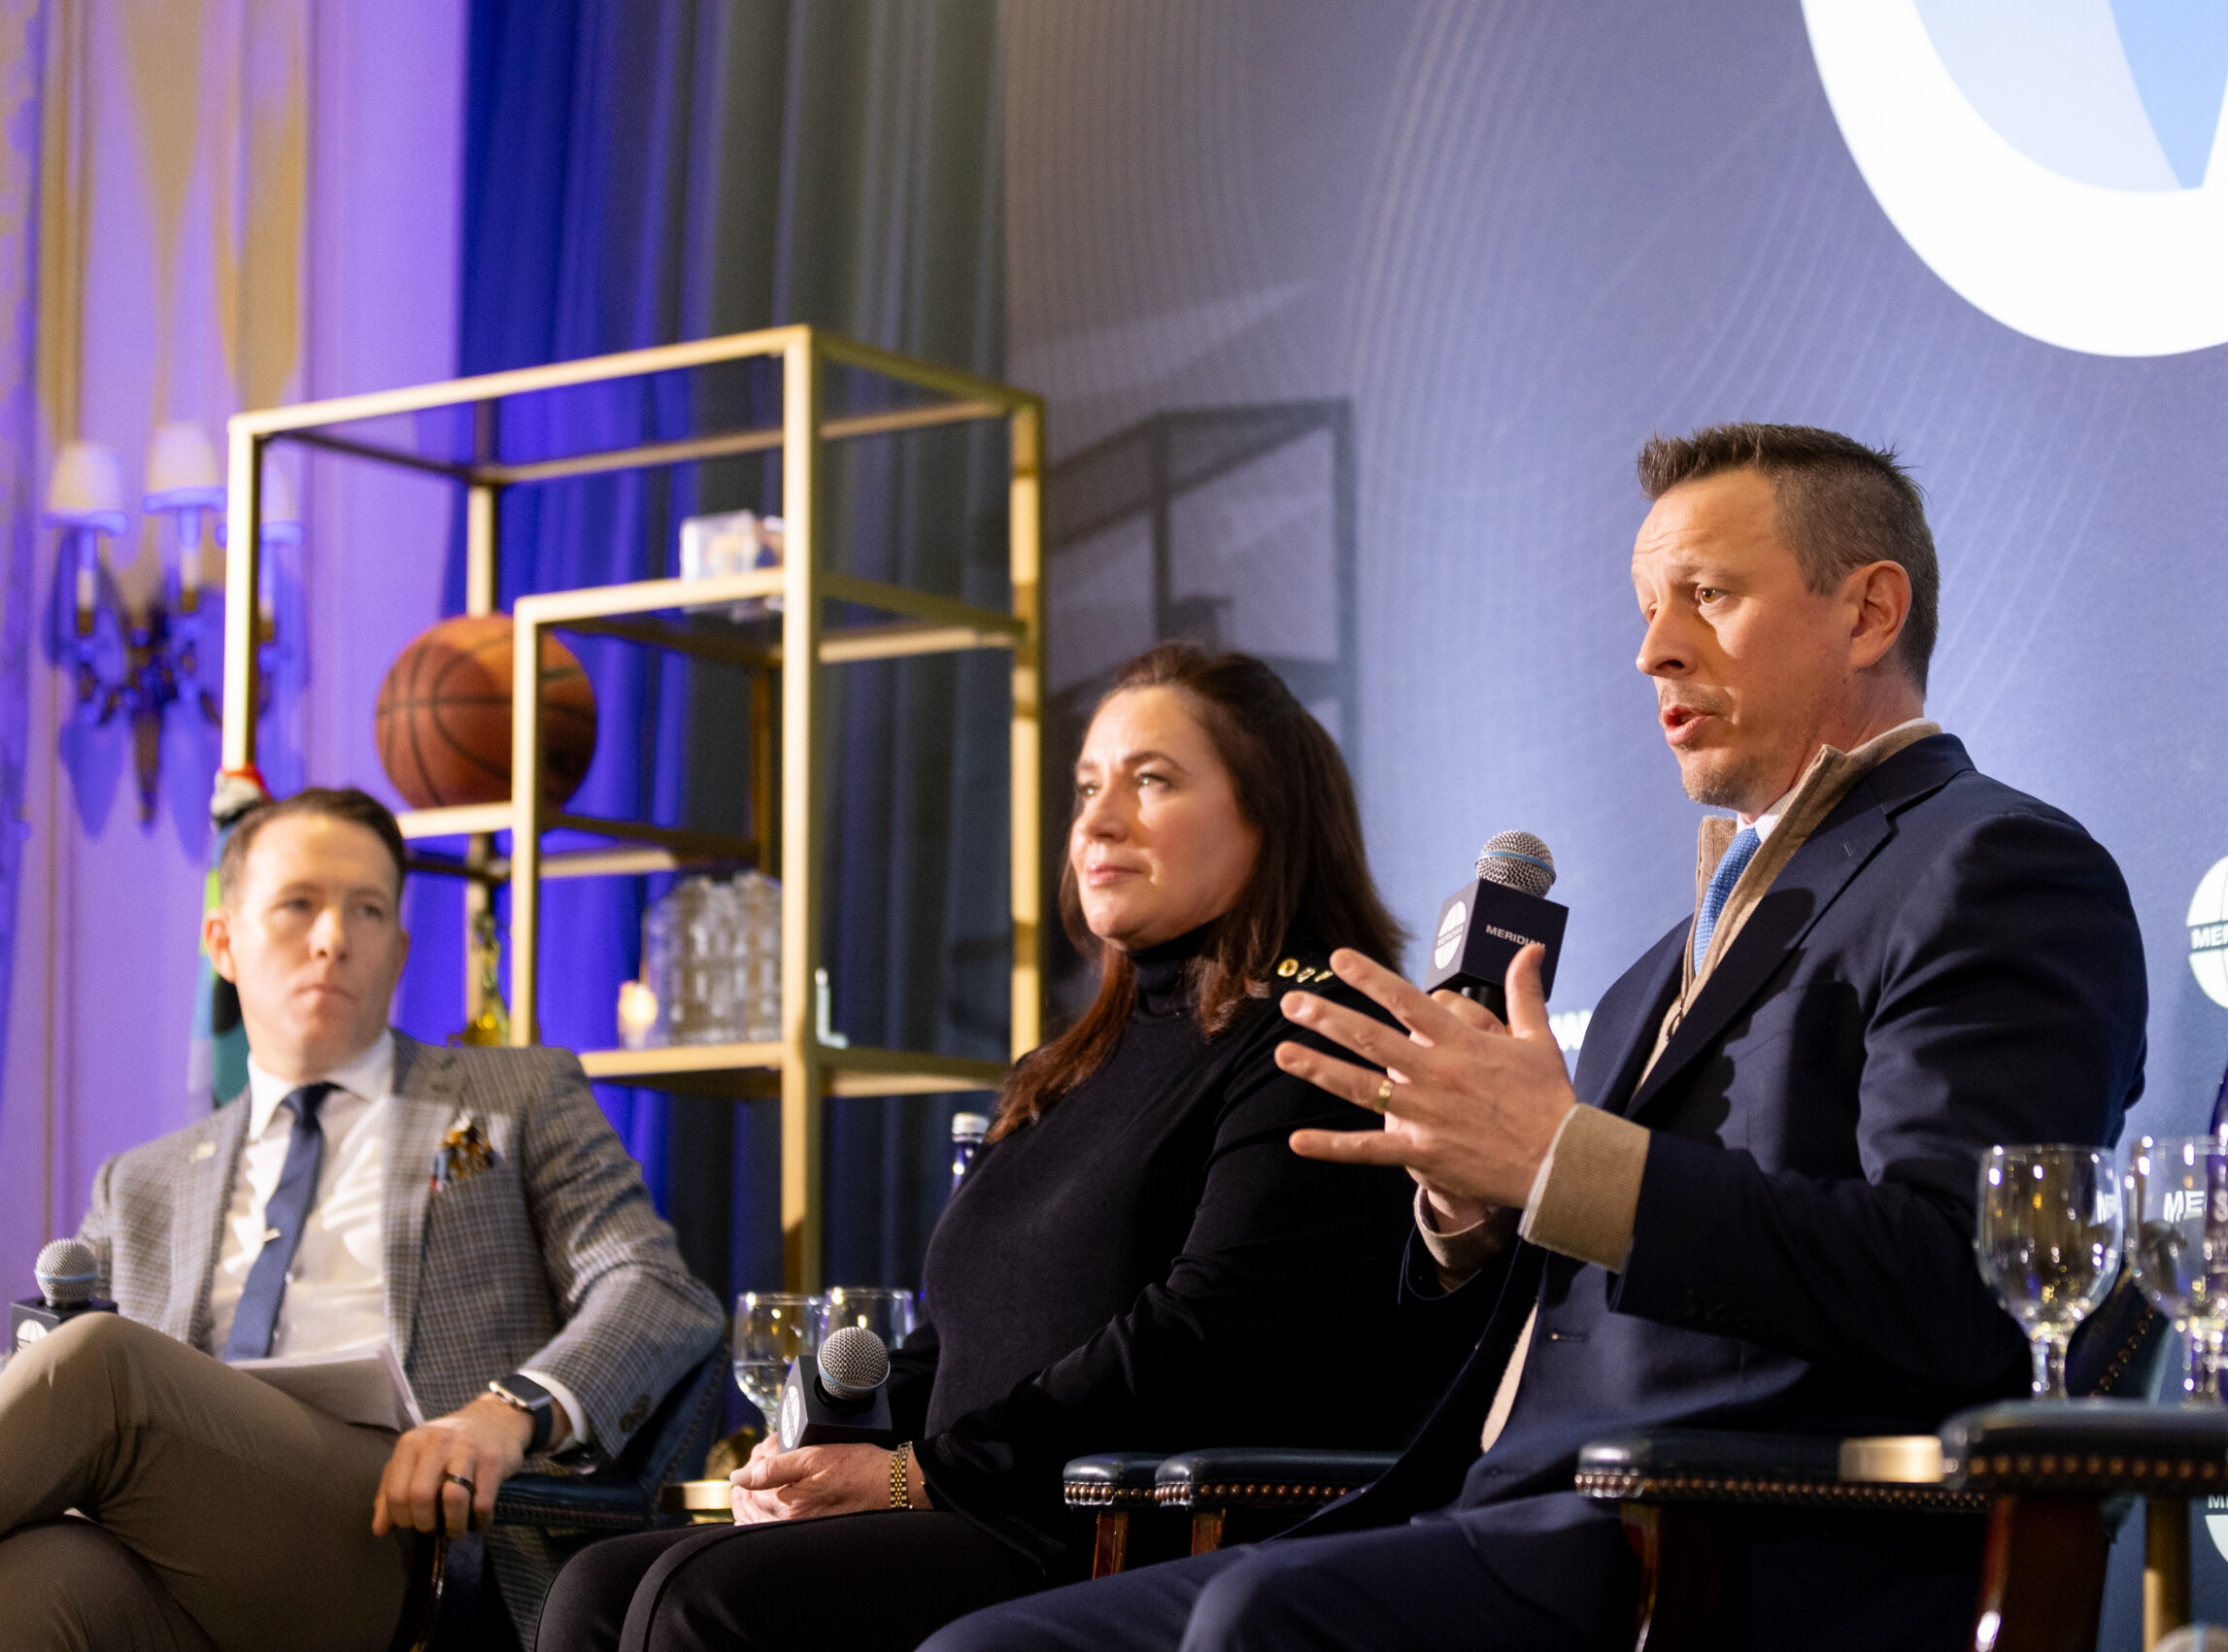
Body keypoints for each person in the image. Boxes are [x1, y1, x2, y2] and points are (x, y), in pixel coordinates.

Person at [923, 423, 2151, 1652]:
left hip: (1740, 1547)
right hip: (1495, 1508)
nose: (1653, 648)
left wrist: (1564, 1162)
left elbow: (1962, 1287)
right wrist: (1471, 1208)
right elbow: (1553, 1303)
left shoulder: (1990, 867)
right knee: (984, 1647)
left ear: (1869, 612)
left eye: (1708, 595)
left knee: (1256, 1621)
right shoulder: (1647, 977)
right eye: (1648, 606)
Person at [538, 644, 1491, 1652]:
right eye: (1086, 787)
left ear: (1270, 814)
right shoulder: (1068, 1066)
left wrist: (916, 1475)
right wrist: (820, 1455)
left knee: (701, 1603)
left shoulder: (1315, 1040)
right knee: (599, 1585)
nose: (1098, 821)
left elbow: (1210, 1341)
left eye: (1151, 780)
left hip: (1113, 1533)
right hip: (975, 1499)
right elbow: (950, 1342)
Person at [0, 787, 723, 1652]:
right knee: (41, 1577)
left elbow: (654, 1288)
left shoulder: (517, 1097)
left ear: (399, 950)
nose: (333, 937)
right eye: (298, 903)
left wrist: (506, 1411)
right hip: (179, 1563)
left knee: (102, 1366)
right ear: (222, 943)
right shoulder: (140, 1182)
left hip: (416, 1540)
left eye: (368, 910)